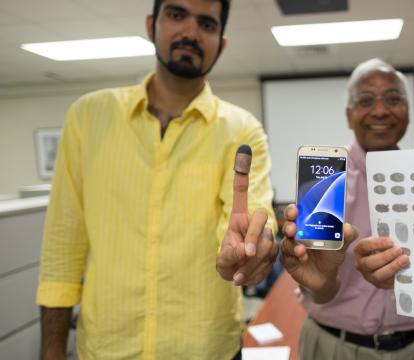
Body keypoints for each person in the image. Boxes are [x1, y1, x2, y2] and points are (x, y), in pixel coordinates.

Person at [37, 0, 278, 359]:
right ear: (152, 25)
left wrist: (251, 247)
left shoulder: (242, 129)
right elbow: (62, 245)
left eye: (207, 24)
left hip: (206, 350)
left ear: (221, 44)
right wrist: (52, 349)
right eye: (177, 15)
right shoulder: (89, 117)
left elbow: (253, 213)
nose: (190, 32)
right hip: (107, 349)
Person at [280, 58, 414, 360]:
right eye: (366, 100)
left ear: (407, 112)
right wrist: (320, 282)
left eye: (393, 99)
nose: (380, 111)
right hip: (335, 348)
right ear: (349, 116)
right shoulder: (322, 182)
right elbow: (317, 287)